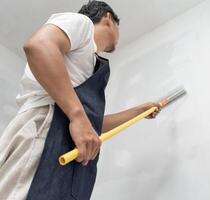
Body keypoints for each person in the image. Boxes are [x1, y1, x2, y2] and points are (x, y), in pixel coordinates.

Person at [0, 1, 161, 199]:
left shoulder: (88, 61)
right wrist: (78, 118)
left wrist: (137, 111)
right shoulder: (82, 24)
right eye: (118, 27)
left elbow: (91, 125)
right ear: (108, 18)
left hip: (64, 138)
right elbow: (40, 45)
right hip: (46, 126)